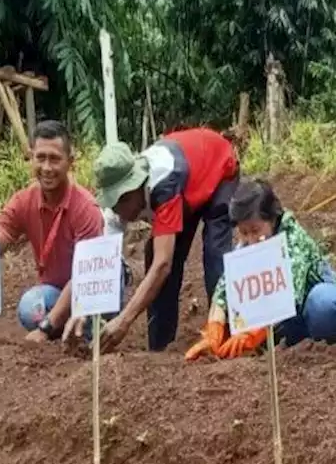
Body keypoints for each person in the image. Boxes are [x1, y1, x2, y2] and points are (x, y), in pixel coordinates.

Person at [92, 127, 239, 352]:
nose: (119, 212)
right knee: (154, 253)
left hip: (218, 166)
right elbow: (104, 267)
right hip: (189, 180)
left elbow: (163, 265)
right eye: (112, 203)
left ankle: (225, 335)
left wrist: (124, 321)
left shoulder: (164, 184)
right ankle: (160, 347)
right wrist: (95, 318)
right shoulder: (117, 208)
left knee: (215, 253)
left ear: (136, 187)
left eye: (121, 202)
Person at [185, 178, 336, 360]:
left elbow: (290, 294)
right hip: (293, 325)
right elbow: (224, 290)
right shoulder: (245, 248)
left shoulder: (294, 239)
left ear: (272, 218)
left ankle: (333, 348)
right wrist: (214, 329)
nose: (251, 240)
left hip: (327, 312)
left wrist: (252, 334)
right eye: (244, 233)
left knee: (322, 302)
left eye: (255, 230)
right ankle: (291, 346)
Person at [0, 120, 105, 343]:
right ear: (31, 158)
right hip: (55, 292)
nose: (47, 168)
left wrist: (45, 329)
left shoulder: (85, 208)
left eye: (55, 159)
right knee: (30, 307)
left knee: (88, 331)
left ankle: (77, 327)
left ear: (70, 162)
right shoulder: (23, 201)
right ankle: (62, 326)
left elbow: (86, 275)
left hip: (92, 288)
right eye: (40, 158)